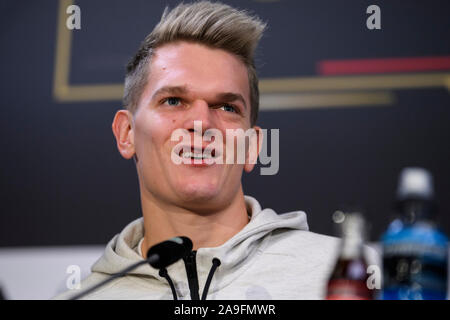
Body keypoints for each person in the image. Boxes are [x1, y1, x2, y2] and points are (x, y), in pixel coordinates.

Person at [54, 1, 378, 300]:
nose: (200, 122)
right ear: (127, 134)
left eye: (226, 107)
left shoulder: (355, 281)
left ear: (252, 147)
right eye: (173, 101)